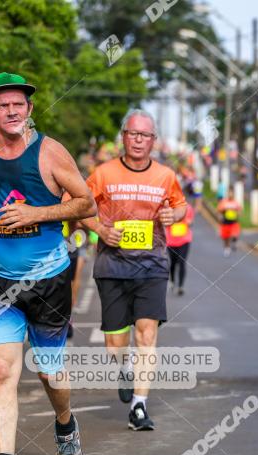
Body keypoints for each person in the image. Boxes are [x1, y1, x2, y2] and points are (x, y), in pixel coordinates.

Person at [0, 72, 97, 455]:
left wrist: (36, 213)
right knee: (1, 371)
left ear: (30, 109)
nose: (13, 111)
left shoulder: (51, 152)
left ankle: (65, 423)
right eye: (3, 105)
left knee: (49, 370)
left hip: (49, 279)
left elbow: (85, 202)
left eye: (19, 104)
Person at [82, 109, 187, 431]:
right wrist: (99, 229)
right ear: (124, 137)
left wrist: (175, 216)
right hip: (112, 265)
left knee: (146, 332)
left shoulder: (165, 175)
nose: (139, 140)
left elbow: (180, 205)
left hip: (152, 264)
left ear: (154, 140)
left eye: (145, 135)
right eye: (133, 134)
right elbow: (78, 205)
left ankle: (139, 407)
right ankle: (124, 366)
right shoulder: (102, 173)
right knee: (115, 341)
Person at [167, 203, 194, 295]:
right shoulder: (169, 208)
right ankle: (173, 281)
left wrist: (187, 221)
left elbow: (191, 221)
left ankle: (181, 286)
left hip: (184, 240)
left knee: (182, 262)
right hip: (171, 241)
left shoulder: (188, 208)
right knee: (173, 263)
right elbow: (165, 222)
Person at [217, 189, 241, 256]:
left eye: (232, 193)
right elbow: (219, 211)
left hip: (234, 222)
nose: (230, 195)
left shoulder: (236, 203)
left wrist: (237, 213)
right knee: (225, 237)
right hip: (225, 222)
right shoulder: (223, 202)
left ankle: (234, 242)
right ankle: (227, 248)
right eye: (229, 193)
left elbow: (239, 211)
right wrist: (220, 217)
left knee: (234, 234)